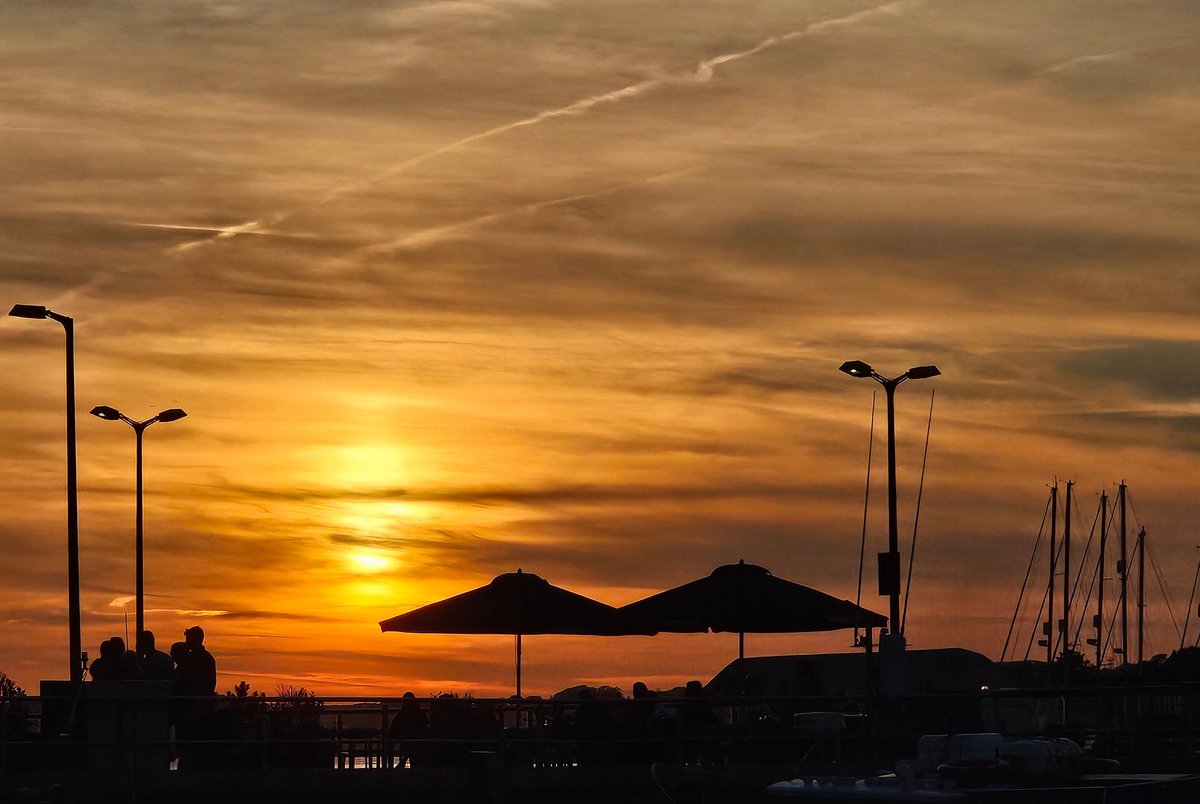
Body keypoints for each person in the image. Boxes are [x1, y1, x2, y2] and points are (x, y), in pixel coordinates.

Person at [179, 626, 216, 696]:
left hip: (197, 699)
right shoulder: (206, 657)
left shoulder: (203, 659)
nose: (186, 643)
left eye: (188, 640)